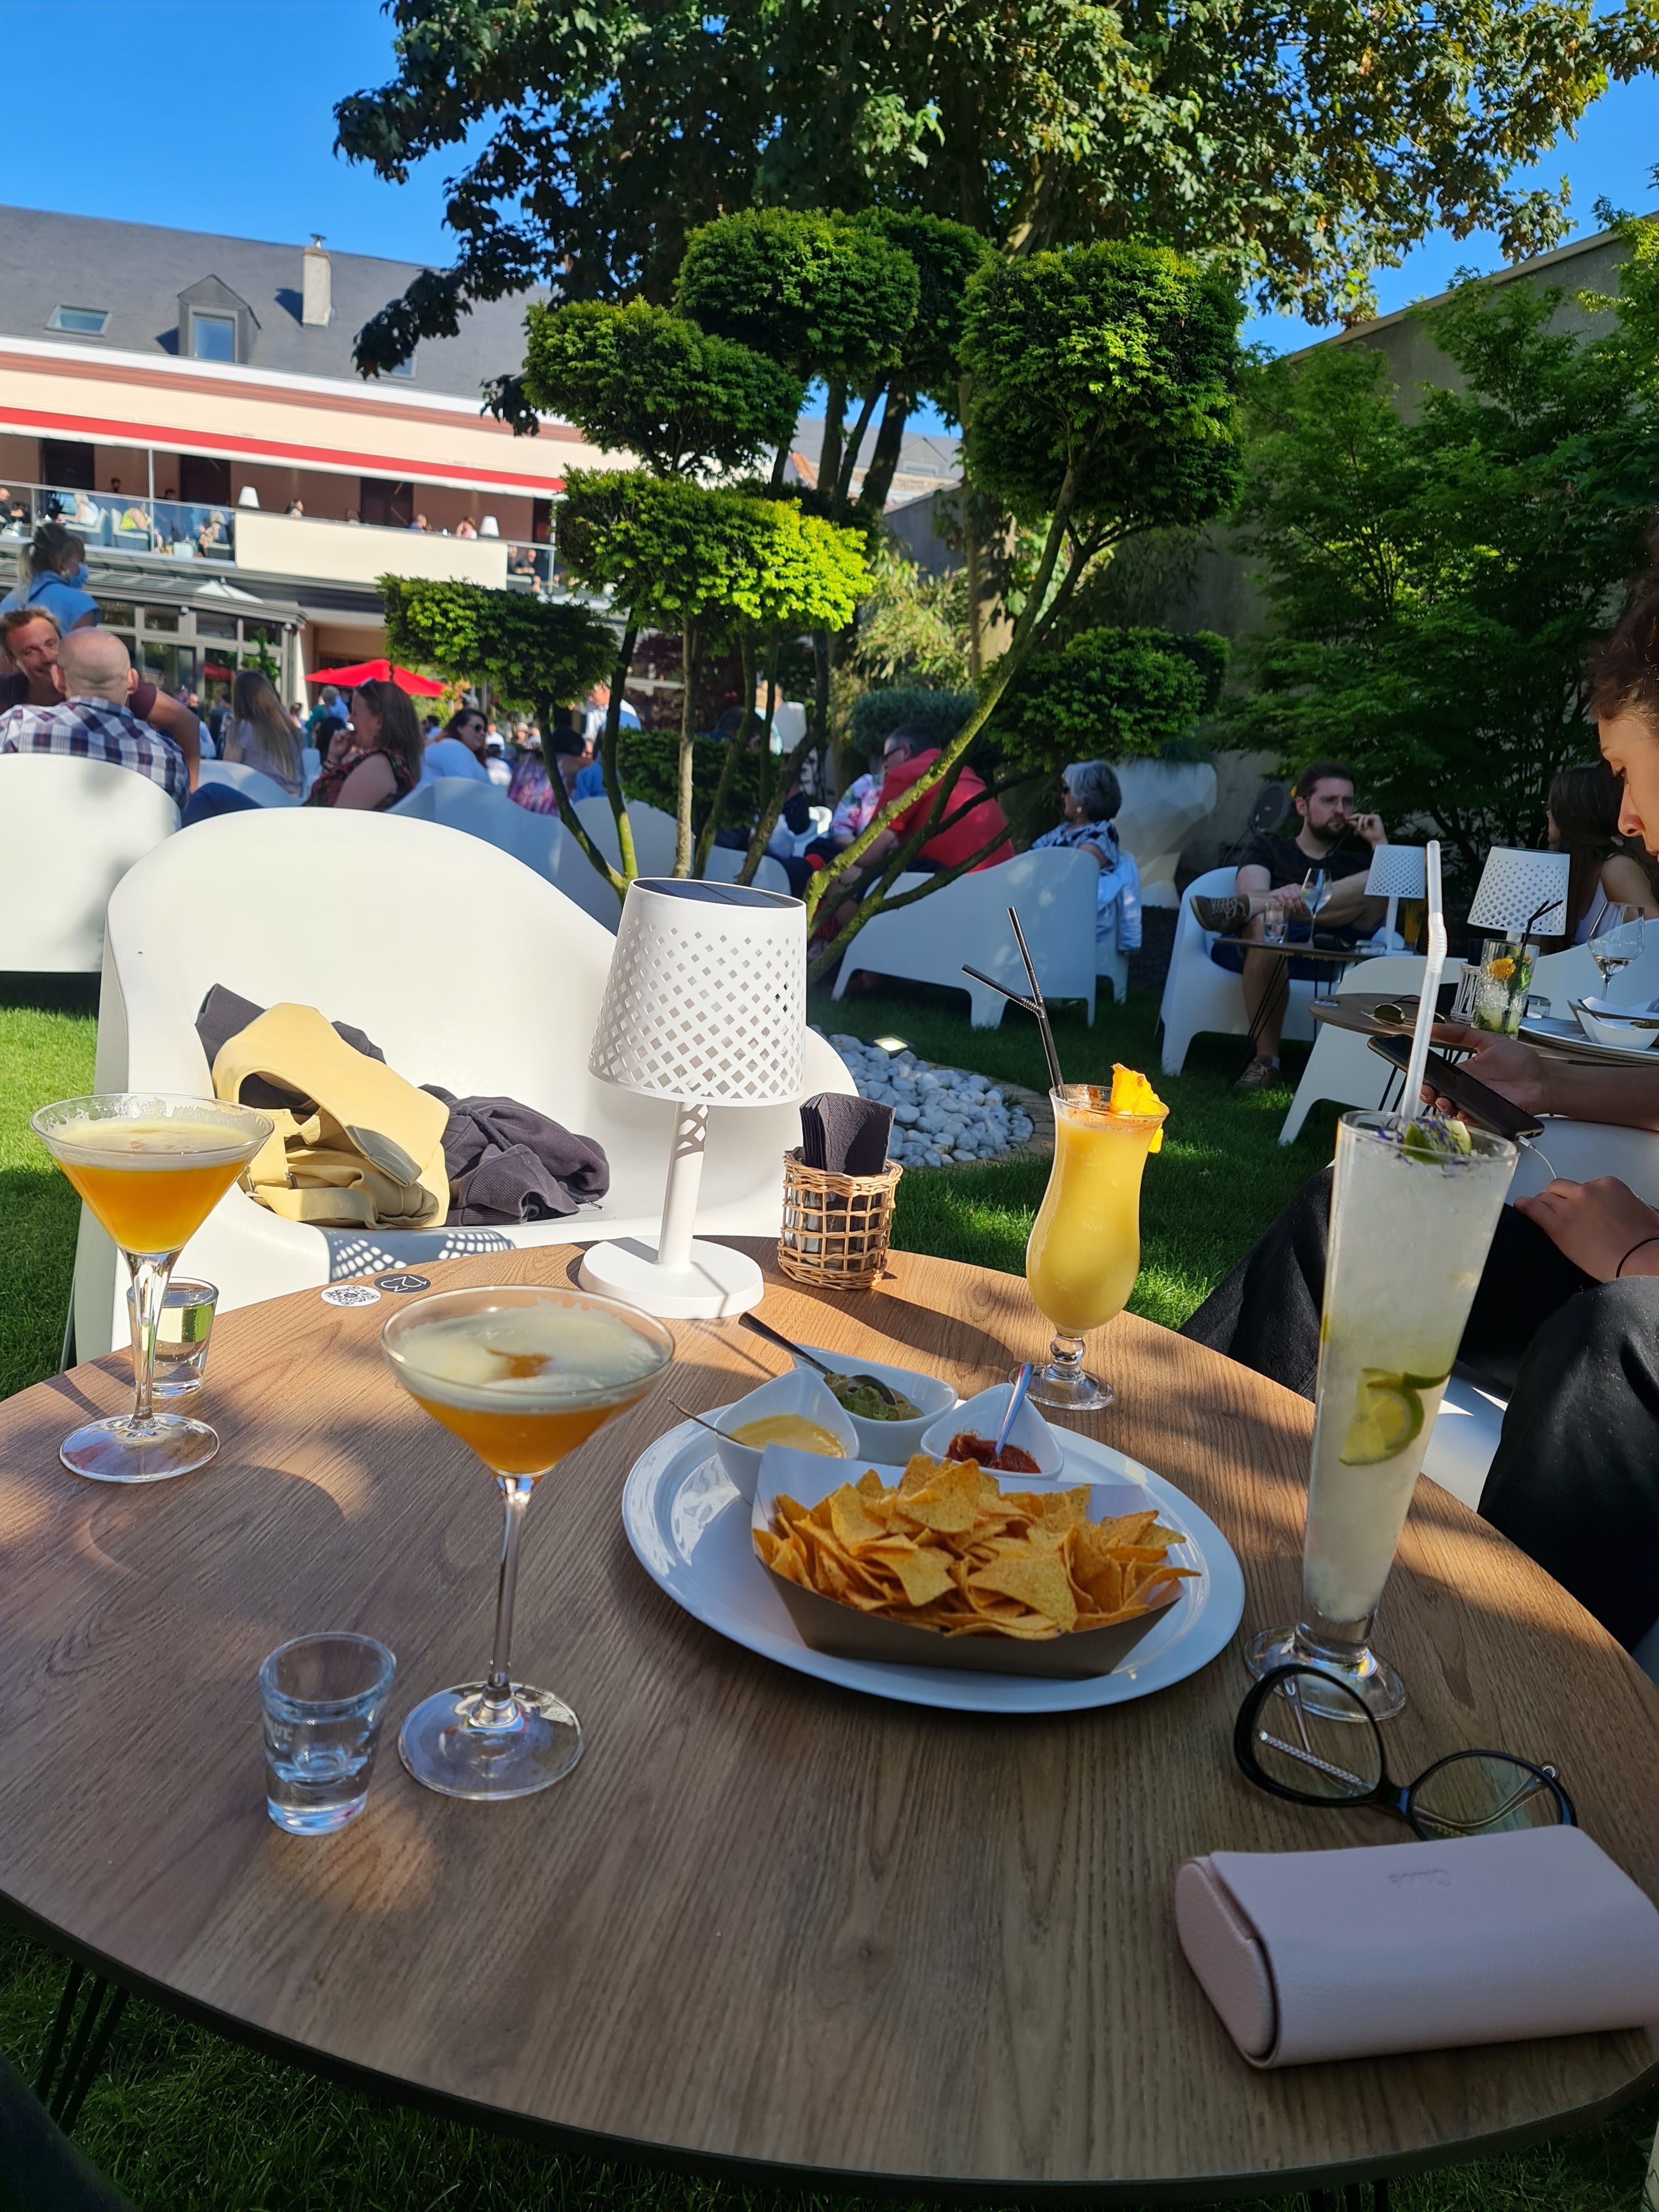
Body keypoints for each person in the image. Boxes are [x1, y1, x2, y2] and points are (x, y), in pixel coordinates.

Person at [1182, 570, 1659, 1656]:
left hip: (1637, 1293)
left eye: (1629, 771)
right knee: (1356, 1210)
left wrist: (1642, 1256)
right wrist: (1547, 1085)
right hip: (1622, 1244)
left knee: (1614, 1343)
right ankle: (1189, 1490)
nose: (1625, 814)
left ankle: (1518, 1707)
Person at [1191, 760, 1387, 1090]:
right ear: (1302, 806)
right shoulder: (1269, 846)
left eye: (1347, 801)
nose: (1341, 810)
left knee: (1377, 879)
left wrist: (1380, 844)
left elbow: (1389, 897)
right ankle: (1267, 1062)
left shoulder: (1358, 860)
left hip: (1331, 955)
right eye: (1329, 800)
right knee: (1263, 919)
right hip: (1260, 952)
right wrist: (1273, 902)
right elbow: (1249, 894)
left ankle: (1272, 909)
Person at [823, 726, 1013, 920]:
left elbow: (866, 855)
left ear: (905, 752)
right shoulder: (964, 772)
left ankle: (859, 942)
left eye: (886, 757)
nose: (885, 766)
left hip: (956, 896)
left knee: (833, 877)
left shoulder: (905, 774)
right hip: (1002, 894)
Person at [0, 605, 200, 783]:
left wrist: (192, 793)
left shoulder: (107, 680)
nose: (47, 657)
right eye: (30, 651)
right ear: (11, 660)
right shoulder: (8, 697)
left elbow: (185, 720)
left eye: (51, 643)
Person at [1030, 760, 1142, 952]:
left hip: (1076, 918)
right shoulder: (1063, 829)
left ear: (1084, 798)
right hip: (1050, 906)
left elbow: (1077, 869)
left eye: (1067, 790)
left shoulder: (1102, 832)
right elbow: (1029, 858)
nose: (1062, 795)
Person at [1544, 759, 1659, 942]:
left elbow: (1654, 934)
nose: (1548, 814)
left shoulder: (1616, 869)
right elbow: (1534, 948)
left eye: (1551, 807)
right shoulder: (1568, 873)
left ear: (1571, 815)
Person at [304, 677, 423, 810]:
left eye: (355, 714)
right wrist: (334, 758)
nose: (350, 720)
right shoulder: (391, 763)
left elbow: (335, 817)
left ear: (379, 722)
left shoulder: (379, 766)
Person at [0, 522, 98, 633]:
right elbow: (82, 643)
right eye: (80, 561)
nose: (83, 567)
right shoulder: (81, 604)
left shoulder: (10, 600)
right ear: (63, 563)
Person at [222, 670, 305, 797]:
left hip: (257, 799)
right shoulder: (291, 728)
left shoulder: (241, 728)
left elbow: (229, 771)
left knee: (208, 792)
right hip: (293, 800)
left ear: (239, 698)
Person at [420, 705, 491, 785]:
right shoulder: (451, 747)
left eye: (485, 730)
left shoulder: (451, 747)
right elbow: (465, 787)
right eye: (477, 728)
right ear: (460, 728)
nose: (483, 733)